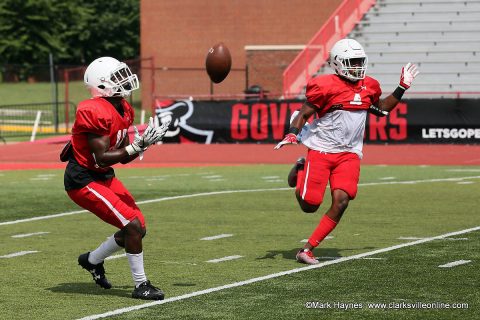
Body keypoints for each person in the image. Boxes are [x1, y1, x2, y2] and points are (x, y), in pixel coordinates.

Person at [274, 39, 419, 265]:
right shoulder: (325, 86)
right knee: (309, 205)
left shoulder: (369, 85)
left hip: (349, 153)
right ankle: (301, 169)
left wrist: (402, 88)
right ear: (338, 63)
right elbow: (303, 114)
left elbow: (381, 110)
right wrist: (293, 134)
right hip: (322, 150)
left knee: (341, 201)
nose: (357, 67)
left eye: (360, 61)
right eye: (352, 62)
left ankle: (307, 249)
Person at [62, 57, 170, 299]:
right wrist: (136, 146)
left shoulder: (124, 107)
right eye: (117, 76)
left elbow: (120, 157)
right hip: (83, 179)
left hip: (102, 174)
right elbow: (101, 157)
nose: (125, 79)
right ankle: (141, 285)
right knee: (131, 226)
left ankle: (92, 260)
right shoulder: (93, 110)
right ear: (101, 84)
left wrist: (142, 145)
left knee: (138, 228)